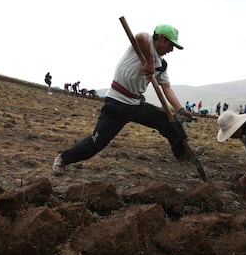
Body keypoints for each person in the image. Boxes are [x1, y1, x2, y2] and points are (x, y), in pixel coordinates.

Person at [52, 24, 200, 176]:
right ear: (161, 38)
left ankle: (183, 153)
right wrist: (149, 61)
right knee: (96, 142)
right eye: (171, 45)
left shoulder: (162, 65)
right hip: (116, 102)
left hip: (136, 104)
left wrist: (180, 109)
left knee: (167, 121)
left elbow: (167, 89)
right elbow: (140, 36)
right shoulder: (145, 44)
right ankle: (63, 159)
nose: (171, 50)